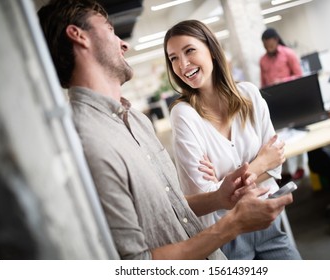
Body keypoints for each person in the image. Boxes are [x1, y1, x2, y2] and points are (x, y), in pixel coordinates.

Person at [37, 0, 294, 260]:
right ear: (78, 35)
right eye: (110, 30)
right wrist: (234, 223)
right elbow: (136, 264)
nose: (123, 43)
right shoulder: (85, 140)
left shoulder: (136, 120)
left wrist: (218, 197)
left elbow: (174, 207)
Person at [164, 20, 301, 260]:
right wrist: (260, 163)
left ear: (212, 51)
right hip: (225, 236)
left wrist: (224, 181)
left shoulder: (249, 94)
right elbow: (206, 194)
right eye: (173, 58)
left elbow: (277, 163)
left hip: (268, 221)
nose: (182, 64)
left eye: (189, 51)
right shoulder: (183, 114)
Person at [259, 27, 304, 182]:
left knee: (297, 134)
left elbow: (299, 76)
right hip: (275, 103)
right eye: (265, 46)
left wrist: (282, 82)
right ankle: (283, 171)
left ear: (276, 40)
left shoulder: (288, 53)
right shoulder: (262, 60)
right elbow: (263, 83)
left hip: (291, 99)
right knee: (277, 137)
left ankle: (300, 167)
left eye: (269, 44)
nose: (267, 48)